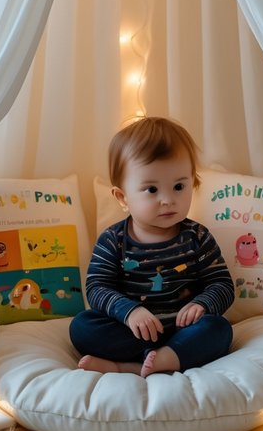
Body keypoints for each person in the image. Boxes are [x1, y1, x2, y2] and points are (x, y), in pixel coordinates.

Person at [70, 116, 234, 377]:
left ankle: (158, 359)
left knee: (220, 330)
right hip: (133, 330)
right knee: (82, 327)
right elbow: (97, 288)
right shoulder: (114, 240)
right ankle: (150, 359)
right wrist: (130, 312)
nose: (168, 200)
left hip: (184, 329)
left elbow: (222, 284)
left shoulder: (197, 236)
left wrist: (203, 304)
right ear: (123, 197)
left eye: (179, 186)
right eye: (151, 190)